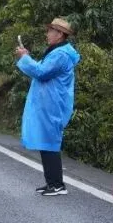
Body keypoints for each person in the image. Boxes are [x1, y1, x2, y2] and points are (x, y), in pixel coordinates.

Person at [14, 17, 81, 196]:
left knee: (50, 142)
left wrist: (25, 58)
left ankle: (57, 185)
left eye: (50, 31)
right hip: (49, 103)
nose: (47, 34)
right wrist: (27, 58)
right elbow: (41, 69)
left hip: (53, 104)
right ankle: (52, 183)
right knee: (46, 141)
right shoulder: (56, 51)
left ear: (59, 34)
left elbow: (41, 72)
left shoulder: (61, 54)